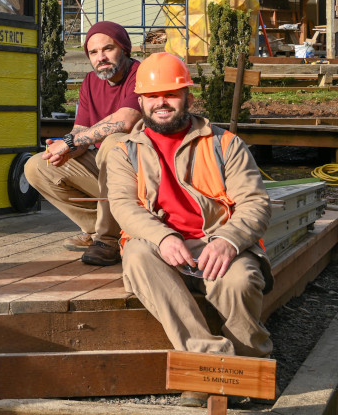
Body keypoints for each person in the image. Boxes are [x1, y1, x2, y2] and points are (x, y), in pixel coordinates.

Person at [106, 52, 272, 408]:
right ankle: (209, 361)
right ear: (141, 101)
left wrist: (228, 241)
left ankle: (244, 366)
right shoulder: (123, 150)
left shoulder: (225, 144)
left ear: (188, 98)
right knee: (135, 254)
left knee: (242, 281)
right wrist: (163, 237)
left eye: (170, 94)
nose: (161, 103)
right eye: (152, 96)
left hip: (217, 242)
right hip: (161, 248)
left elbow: (256, 203)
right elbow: (123, 206)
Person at [24, 21, 142, 266]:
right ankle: (99, 229)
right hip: (105, 171)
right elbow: (80, 131)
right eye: (93, 52)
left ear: (124, 48)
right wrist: (65, 150)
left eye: (108, 49)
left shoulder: (140, 74)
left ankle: (108, 241)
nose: (101, 57)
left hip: (143, 174)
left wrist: (70, 141)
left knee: (113, 144)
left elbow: (125, 121)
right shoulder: (90, 81)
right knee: (37, 165)